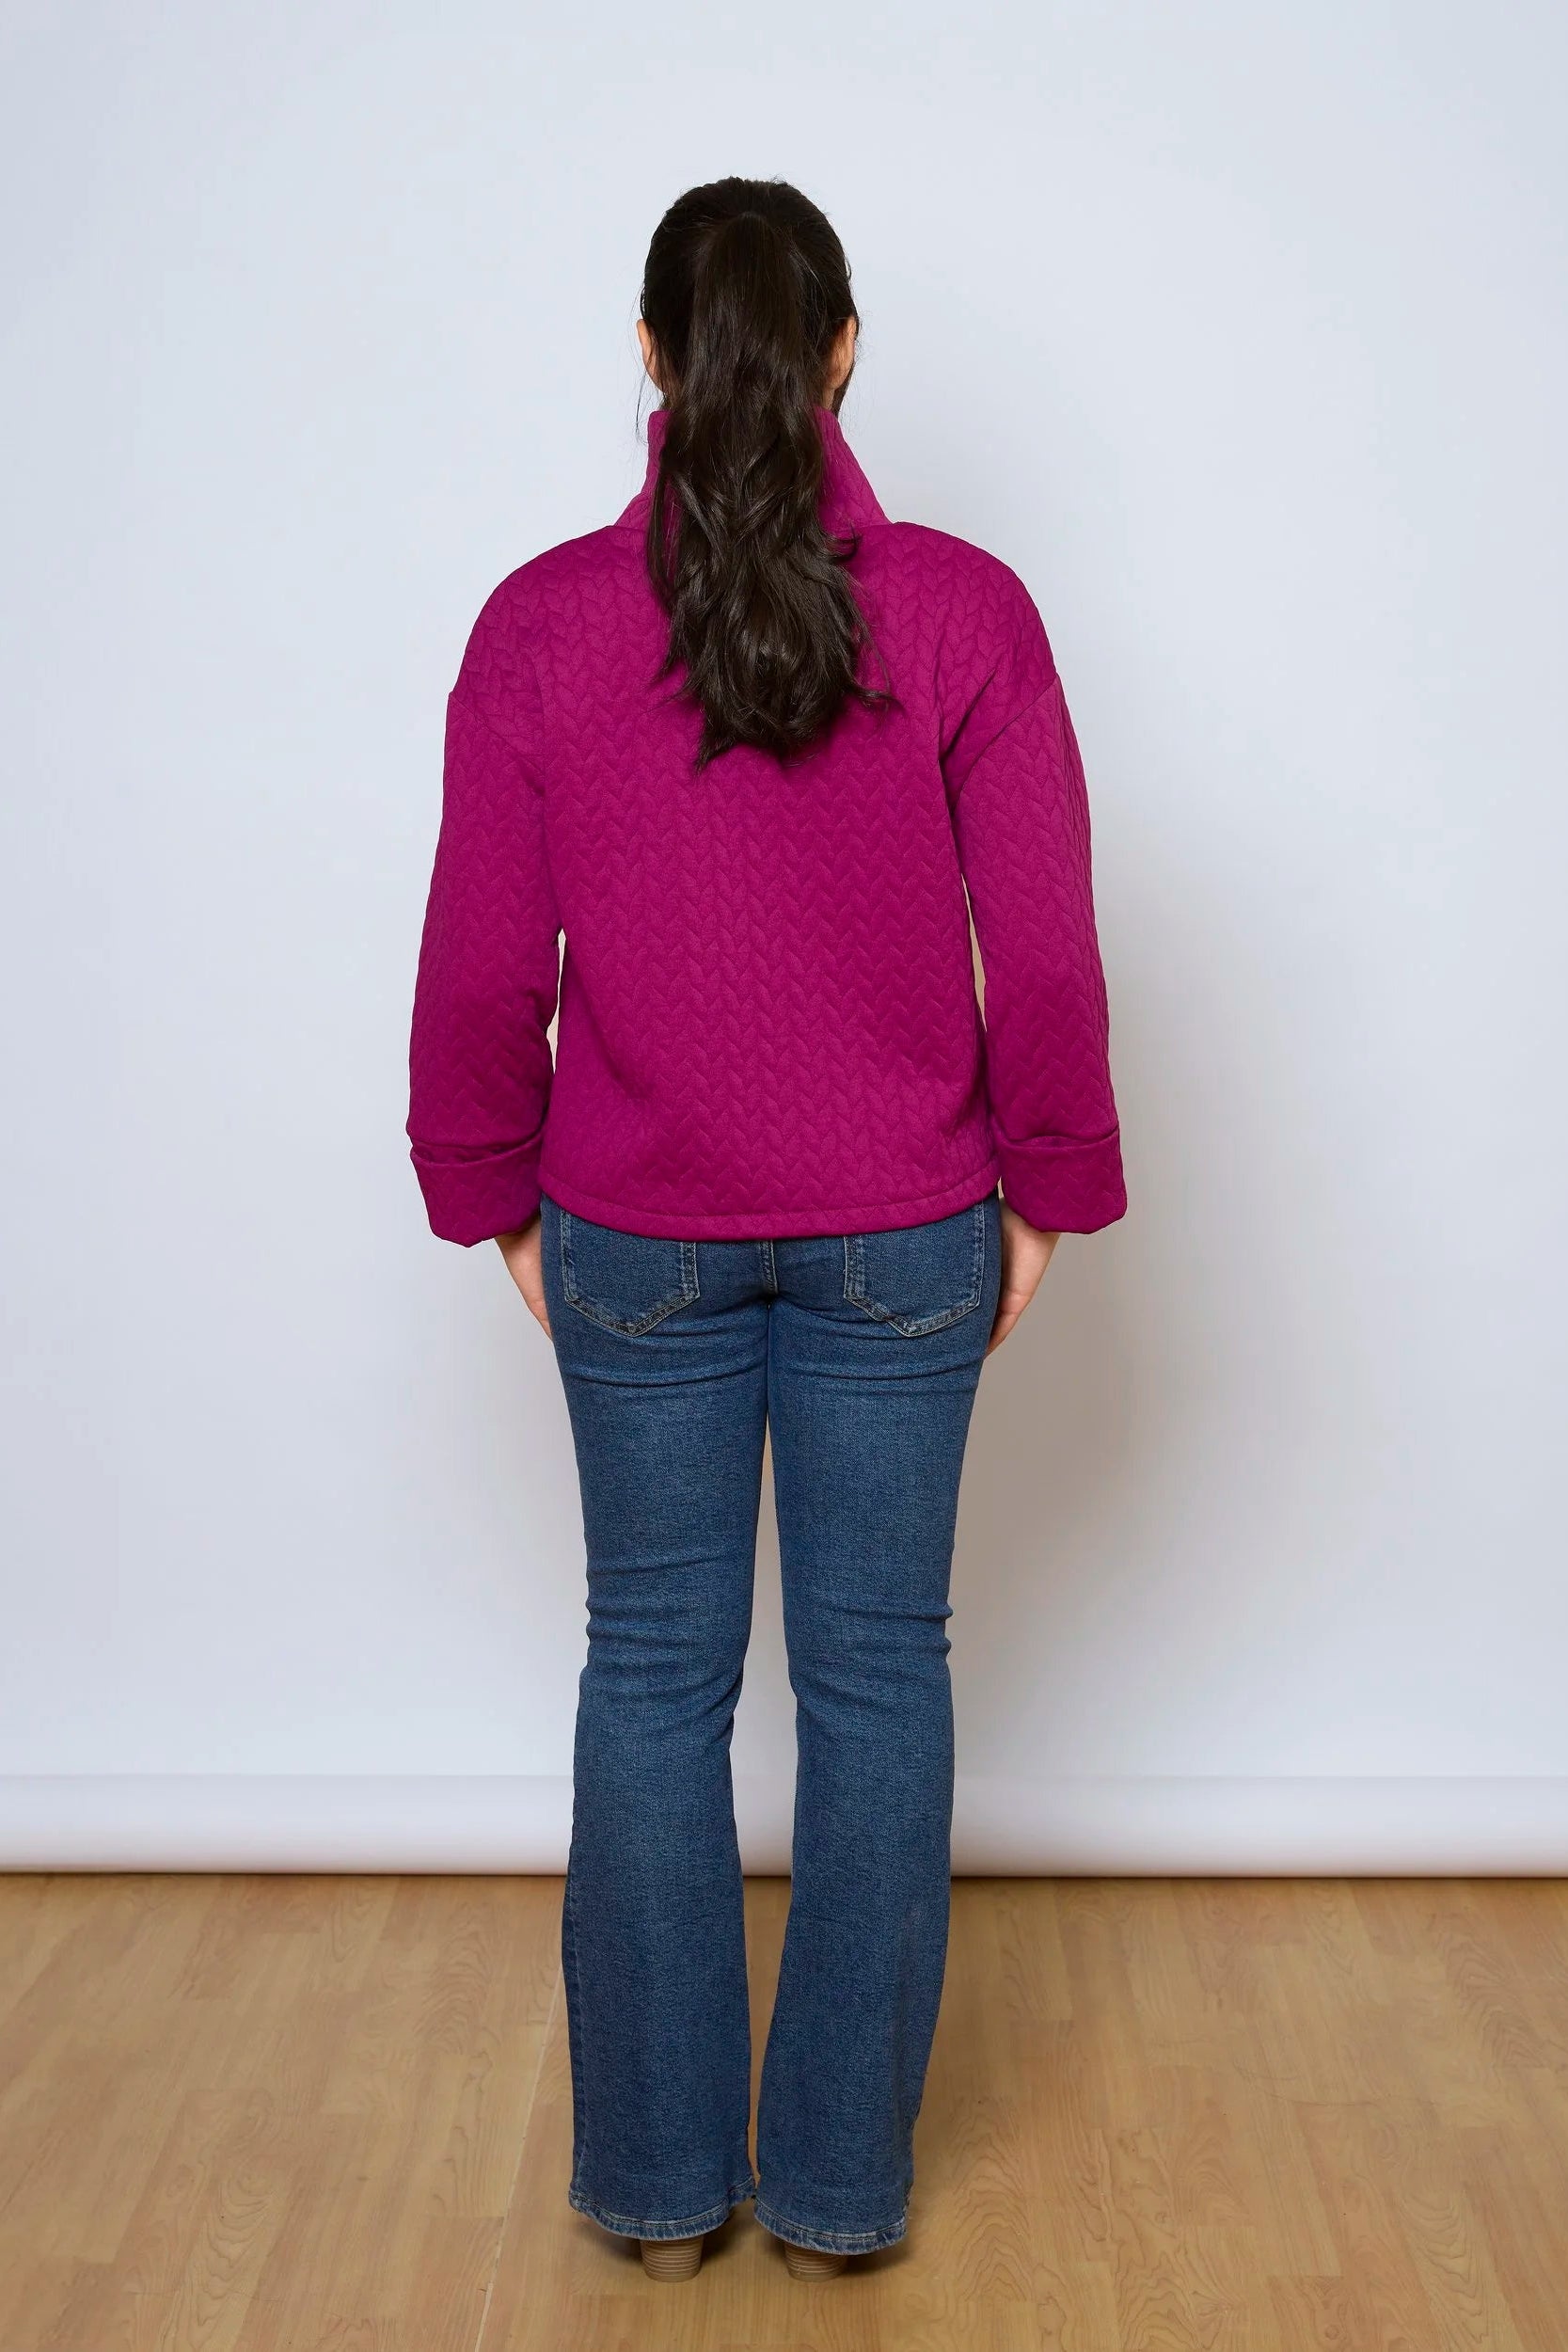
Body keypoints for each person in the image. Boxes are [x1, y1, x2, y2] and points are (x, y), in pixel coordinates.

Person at [406, 175, 1125, 2283]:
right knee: (881, 1687)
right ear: (840, 359)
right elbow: (1052, 958)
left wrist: (494, 1194)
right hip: (908, 1229)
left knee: (653, 1678)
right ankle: (833, 2196)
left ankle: (651, 2188)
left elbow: (473, 971)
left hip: (631, 1230)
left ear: (648, 357)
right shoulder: (966, 609)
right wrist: (1049, 1188)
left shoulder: (538, 626)